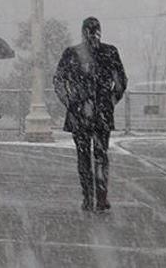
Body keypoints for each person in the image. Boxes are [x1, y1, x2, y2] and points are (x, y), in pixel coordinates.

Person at [53, 17, 127, 212]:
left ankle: (87, 197)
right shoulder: (110, 52)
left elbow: (58, 80)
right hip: (101, 111)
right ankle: (101, 197)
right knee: (101, 155)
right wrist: (111, 101)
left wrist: (69, 101)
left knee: (83, 155)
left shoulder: (72, 54)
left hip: (79, 112)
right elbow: (121, 81)